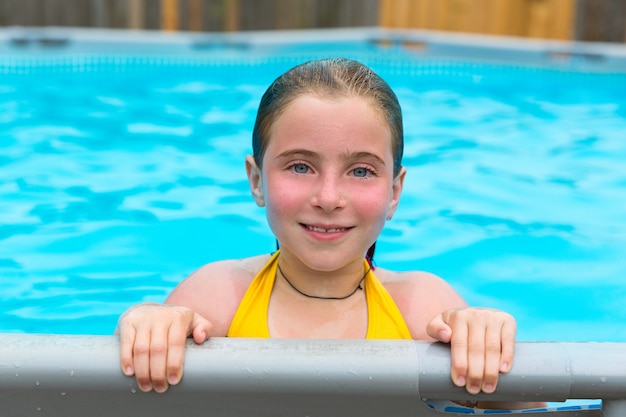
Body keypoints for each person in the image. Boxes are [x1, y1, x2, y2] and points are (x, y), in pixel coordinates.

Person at [117, 57, 528, 408]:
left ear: (394, 192)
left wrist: (491, 347)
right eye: (300, 166)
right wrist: (145, 328)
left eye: (361, 171)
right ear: (256, 180)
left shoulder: (421, 309)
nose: (329, 197)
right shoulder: (218, 297)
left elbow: (528, 409)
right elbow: (112, 396)